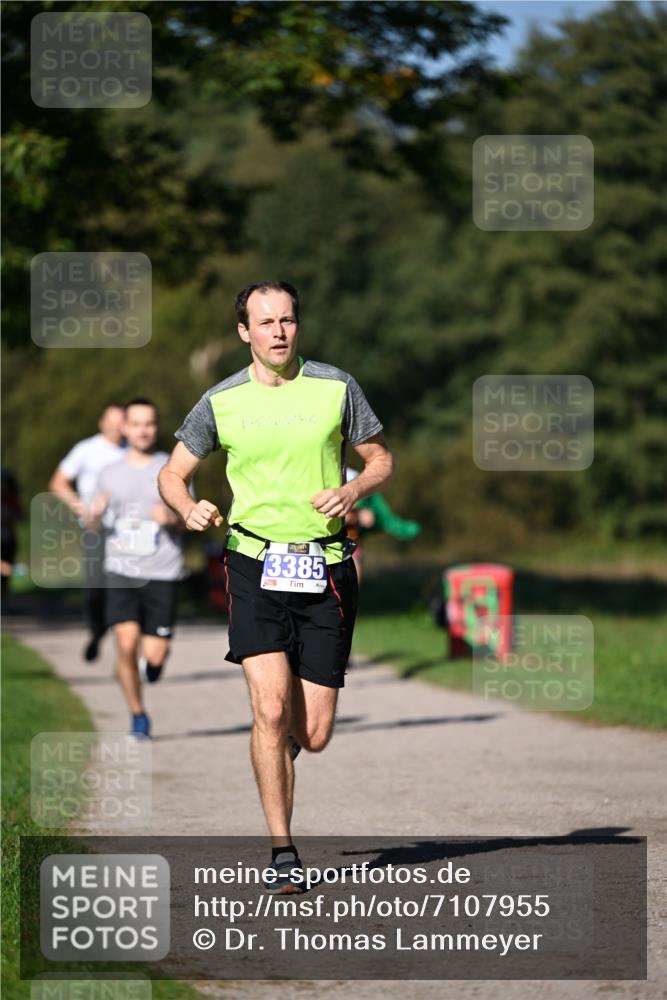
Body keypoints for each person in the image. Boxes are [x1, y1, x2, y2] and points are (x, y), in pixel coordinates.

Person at [158, 280, 393, 892]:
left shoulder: (336, 387)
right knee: (268, 707)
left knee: (312, 734)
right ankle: (282, 849)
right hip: (253, 565)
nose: (279, 331)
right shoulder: (221, 400)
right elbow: (173, 473)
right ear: (245, 332)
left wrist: (353, 489)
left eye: (287, 320)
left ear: (297, 325)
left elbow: (380, 459)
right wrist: (187, 507)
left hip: (326, 568)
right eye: (265, 322)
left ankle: (281, 747)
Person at [89, 399, 186, 739]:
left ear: (156, 427)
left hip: (162, 571)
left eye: (149, 423)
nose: (143, 430)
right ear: (125, 428)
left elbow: (191, 519)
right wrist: (93, 515)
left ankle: (154, 664)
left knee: (154, 654)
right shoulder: (108, 473)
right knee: (125, 644)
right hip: (121, 570)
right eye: (136, 423)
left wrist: (171, 518)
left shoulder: (173, 469)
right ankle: (137, 714)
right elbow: (92, 524)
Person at [49, 404, 126, 661]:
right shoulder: (86, 449)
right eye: (112, 422)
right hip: (95, 528)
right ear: (102, 423)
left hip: (128, 530)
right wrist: (82, 509)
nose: (117, 428)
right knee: (96, 587)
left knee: (126, 583)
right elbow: (58, 482)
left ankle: (128, 636)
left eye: (122, 422)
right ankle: (97, 629)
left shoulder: (133, 451)